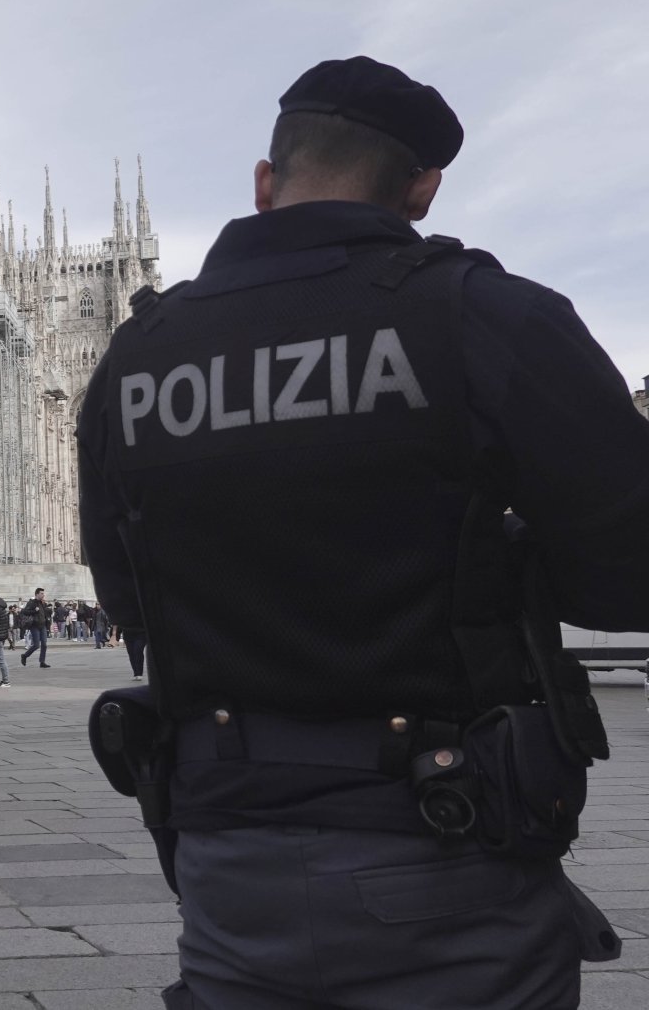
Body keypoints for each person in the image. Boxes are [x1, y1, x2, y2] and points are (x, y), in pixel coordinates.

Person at [77, 55, 649, 1008]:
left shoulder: (138, 357)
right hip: (451, 841)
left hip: (227, 865)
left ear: (265, 183)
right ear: (422, 188)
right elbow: (627, 575)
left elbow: (124, 593)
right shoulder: (484, 315)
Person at [20, 587, 50, 667]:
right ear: (37, 594)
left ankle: (42, 662)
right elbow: (24, 611)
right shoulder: (32, 602)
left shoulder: (42, 603)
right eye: (42, 593)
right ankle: (25, 655)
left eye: (43, 593)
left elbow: (44, 614)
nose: (43, 595)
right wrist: (34, 611)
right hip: (34, 626)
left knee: (44, 644)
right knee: (36, 645)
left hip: (42, 625)